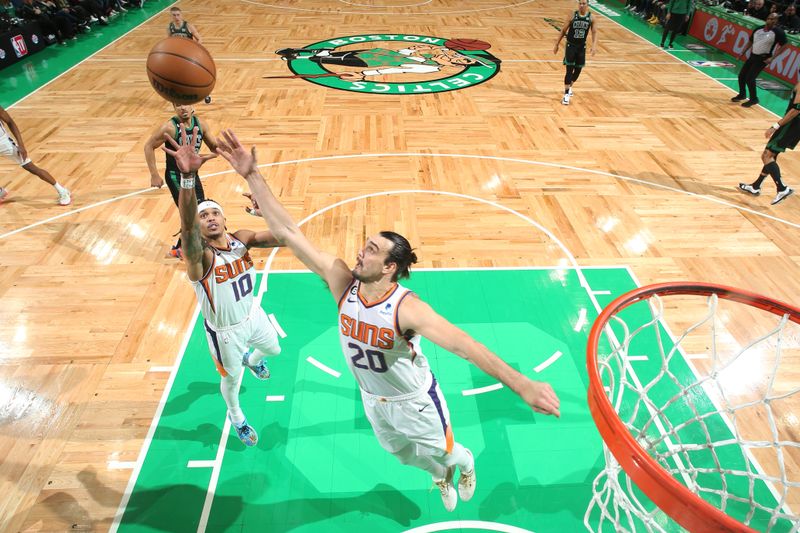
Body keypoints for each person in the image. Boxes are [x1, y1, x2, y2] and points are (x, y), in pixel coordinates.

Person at [213, 129, 561, 512]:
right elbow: (289, 232)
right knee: (402, 456)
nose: (361, 253)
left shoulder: (407, 309)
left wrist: (522, 384)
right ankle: (437, 475)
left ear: (390, 267)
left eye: (372, 251)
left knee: (445, 455)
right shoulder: (342, 282)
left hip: (415, 401)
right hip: (373, 398)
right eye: (364, 246)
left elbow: (468, 347)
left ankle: (463, 463)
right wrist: (252, 175)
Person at [161, 124, 284, 446]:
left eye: (216, 213)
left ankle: (253, 359)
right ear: (197, 227)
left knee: (273, 349)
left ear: (225, 219)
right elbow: (187, 230)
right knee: (231, 380)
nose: (211, 218)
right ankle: (237, 417)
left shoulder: (242, 239)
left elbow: (286, 238)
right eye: (204, 216)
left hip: (252, 315)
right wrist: (187, 180)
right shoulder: (199, 256)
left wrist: (264, 211)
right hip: (225, 331)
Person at [144, 103, 217, 257]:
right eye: (178, 105)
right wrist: (154, 174)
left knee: (200, 208)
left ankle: (186, 244)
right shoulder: (170, 127)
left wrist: (226, 150)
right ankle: (183, 247)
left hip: (192, 173)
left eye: (186, 104)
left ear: (193, 106)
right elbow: (148, 146)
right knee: (190, 212)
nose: (182, 108)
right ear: (173, 107)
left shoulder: (200, 124)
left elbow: (214, 146)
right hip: (175, 175)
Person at [738, 81, 799, 205]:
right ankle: (756, 186)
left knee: (767, 155)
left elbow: (796, 110)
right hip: (793, 125)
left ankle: (782, 188)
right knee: (772, 155)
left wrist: (775, 126)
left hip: (791, 125)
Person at [0, 105, 71, 205]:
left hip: (4, 143)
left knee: (30, 167)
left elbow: (10, 122)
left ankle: (62, 191)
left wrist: (21, 145)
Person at [731, 12, 787, 107]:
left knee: (750, 78)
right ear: (767, 18)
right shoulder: (758, 29)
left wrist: (772, 58)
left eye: (773, 19)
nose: (771, 20)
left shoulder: (778, 32)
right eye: (770, 18)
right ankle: (742, 94)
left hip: (763, 58)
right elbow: (750, 42)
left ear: (776, 21)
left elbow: (784, 45)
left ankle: (754, 99)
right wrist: (742, 53)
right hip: (753, 55)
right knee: (741, 76)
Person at [553, 0, 598, 106]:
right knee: (569, 70)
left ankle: (570, 86)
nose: (581, 5)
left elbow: (595, 32)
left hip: (581, 47)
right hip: (570, 46)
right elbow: (563, 31)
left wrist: (594, 45)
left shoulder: (592, 18)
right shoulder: (572, 15)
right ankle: (566, 95)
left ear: (588, 5)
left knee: (578, 70)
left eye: (584, 3)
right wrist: (556, 44)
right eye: (580, 3)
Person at [167, 6, 211, 103]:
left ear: (181, 15)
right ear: (171, 16)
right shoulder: (170, 27)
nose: (176, 17)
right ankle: (179, 96)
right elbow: (169, 41)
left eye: (178, 15)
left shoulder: (188, 26)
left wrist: (194, 49)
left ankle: (206, 93)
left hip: (190, 56)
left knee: (197, 75)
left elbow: (200, 39)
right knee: (176, 76)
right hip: (178, 56)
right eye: (174, 15)